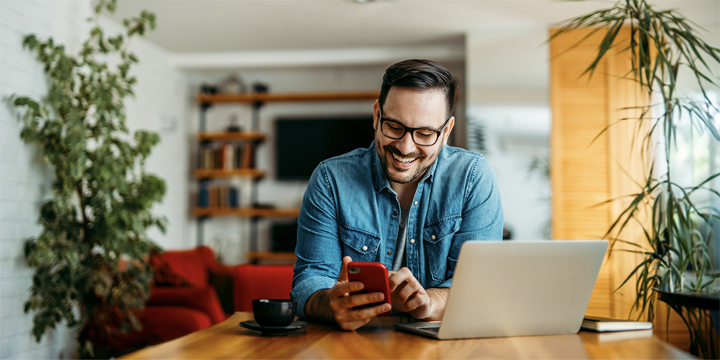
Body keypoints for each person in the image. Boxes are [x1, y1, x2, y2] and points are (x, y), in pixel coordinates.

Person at [290, 59, 503, 331]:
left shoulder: (473, 177)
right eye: (394, 126)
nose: (405, 147)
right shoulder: (330, 179)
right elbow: (310, 281)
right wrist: (330, 304)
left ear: (446, 131)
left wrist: (430, 303)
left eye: (425, 133)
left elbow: (479, 286)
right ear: (377, 115)